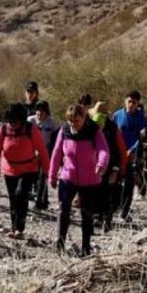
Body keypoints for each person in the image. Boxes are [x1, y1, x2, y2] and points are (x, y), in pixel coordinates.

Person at [49, 104, 109, 256]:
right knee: (63, 209)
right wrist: (52, 174)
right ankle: (60, 243)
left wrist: (101, 164)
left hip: (89, 179)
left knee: (86, 214)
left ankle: (85, 247)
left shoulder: (94, 131)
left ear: (84, 118)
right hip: (67, 177)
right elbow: (56, 153)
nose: (73, 124)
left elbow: (104, 150)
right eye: (70, 120)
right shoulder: (64, 130)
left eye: (76, 120)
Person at [0, 103, 49, 239]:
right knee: (13, 199)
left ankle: (20, 228)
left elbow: (42, 150)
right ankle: (15, 228)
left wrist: (47, 170)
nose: (13, 124)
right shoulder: (3, 129)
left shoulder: (31, 129)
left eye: (16, 121)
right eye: (10, 121)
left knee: (21, 194)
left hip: (29, 168)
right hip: (9, 169)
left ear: (22, 120)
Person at [89, 101, 127, 232]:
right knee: (94, 191)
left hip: (110, 166)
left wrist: (118, 168)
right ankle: (97, 217)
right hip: (93, 165)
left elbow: (120, 150)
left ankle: (107, 218)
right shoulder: (89, 126)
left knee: (108, 192)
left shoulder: (113, 128)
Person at [111, 90, 147, 222]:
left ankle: (124, 212)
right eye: (129, 101)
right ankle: (113, 208)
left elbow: (143, 137)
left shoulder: (141, 118)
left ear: (138, 104)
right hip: (117, 154)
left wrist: (133, 150)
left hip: (133, 156)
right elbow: (112, 134)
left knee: (129, 183)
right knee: (114, 182)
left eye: (134, 102)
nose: (131, 104)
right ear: (125, 101)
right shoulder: (117, 115)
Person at [27, 100, 59, 210]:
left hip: (46, 153)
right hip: (31, 153)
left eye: (42, 111)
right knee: (33, 177)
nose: (39, 113)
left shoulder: (52, 123)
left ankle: (40, 203)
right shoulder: (30, 121)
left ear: (46, 112)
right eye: (37, 111)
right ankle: (40, 200)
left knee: (43, 177)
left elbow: (56, 140)